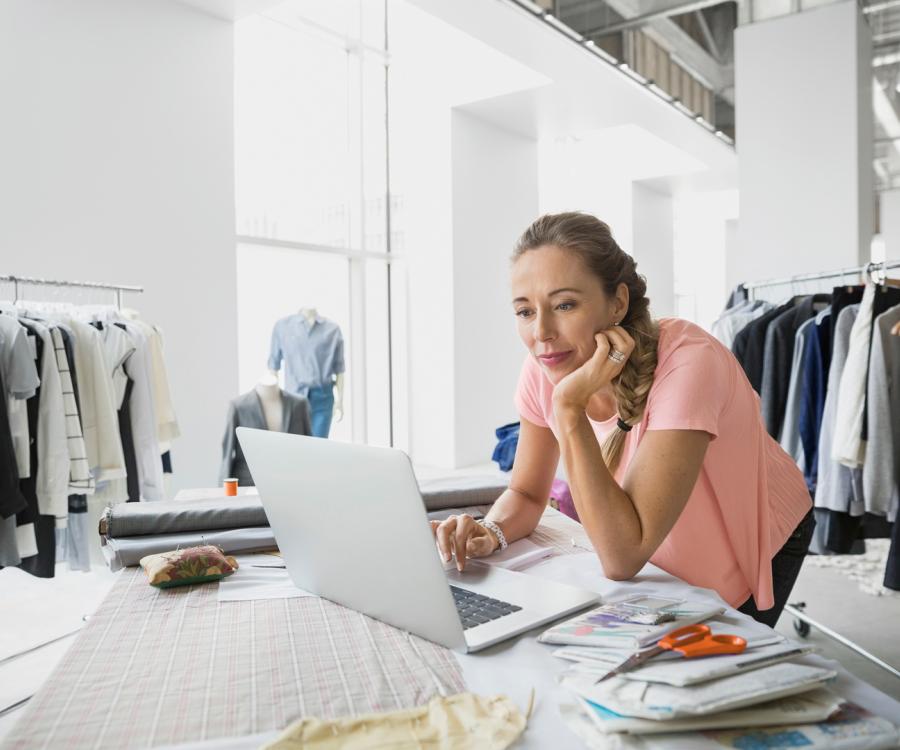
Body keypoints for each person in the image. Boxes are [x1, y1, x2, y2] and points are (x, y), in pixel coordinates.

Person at [431, 212, 814, 627]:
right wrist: (493, 530)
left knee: (717, 666)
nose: (541, 332)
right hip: (655, 534)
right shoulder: (543, 367)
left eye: (564, 305)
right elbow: (525, 493)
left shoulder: (689, 363)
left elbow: (622, 557)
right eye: (524, 311)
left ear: (617, 302)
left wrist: (568, 408)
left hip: (755, 530)